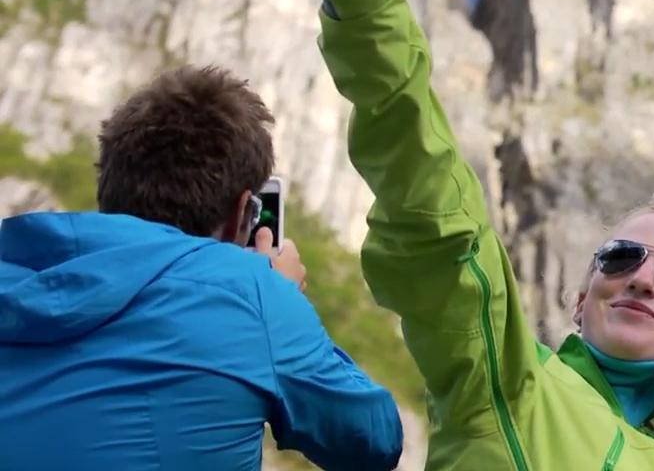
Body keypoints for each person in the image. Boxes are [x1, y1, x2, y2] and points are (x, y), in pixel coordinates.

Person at [307, 0, 654, 470]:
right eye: (620, 257)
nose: (642, 278)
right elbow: (440, 221)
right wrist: (369, 7)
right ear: (581, 299)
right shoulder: (503, 381)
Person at [0, 65, 403, 471]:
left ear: (109, 188)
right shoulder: (252, 294)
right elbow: (374, 442)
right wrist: (277, 296)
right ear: (241, 214)